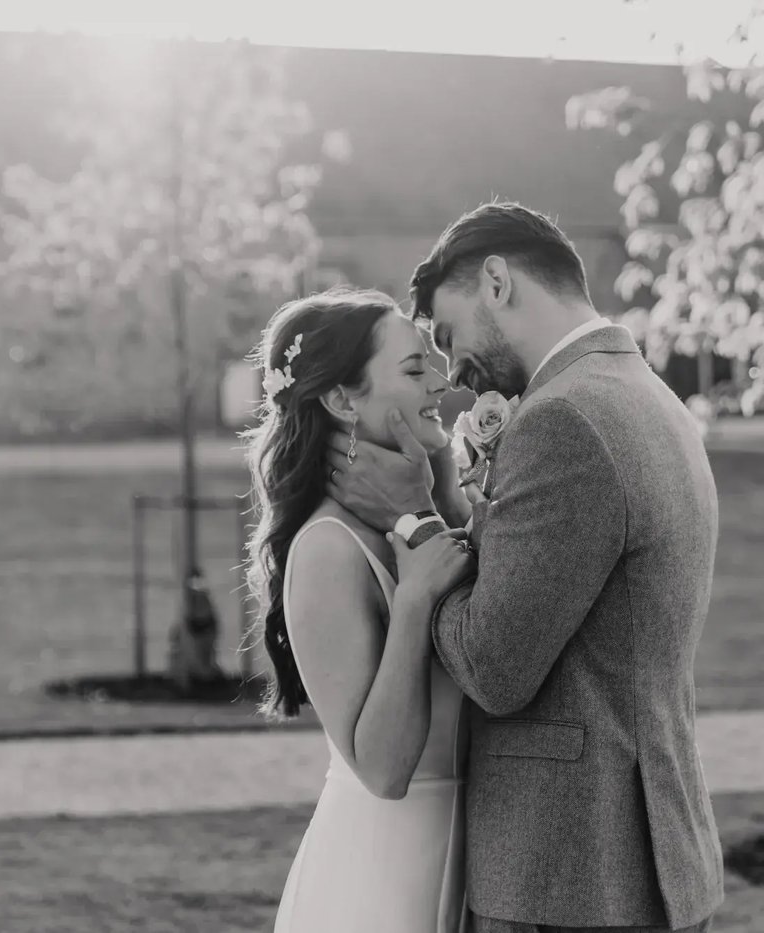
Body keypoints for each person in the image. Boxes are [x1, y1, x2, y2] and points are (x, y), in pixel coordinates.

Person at [326, 202, 725, 932]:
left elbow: (494, 668)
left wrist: (412, 524)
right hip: (649, 855)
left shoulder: (562, 419)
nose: (451, 369)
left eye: (446, 334)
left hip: (568, 872)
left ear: (498, 282)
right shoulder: (651, 396)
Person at [246, 287, 476, 933]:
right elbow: (381, 767)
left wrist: (442, 501)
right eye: (412, 369)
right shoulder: (327, 548)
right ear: (344, 399)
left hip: (474, 863)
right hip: (384, 879)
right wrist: (413, 603)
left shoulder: (411, 519)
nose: (440, 379)